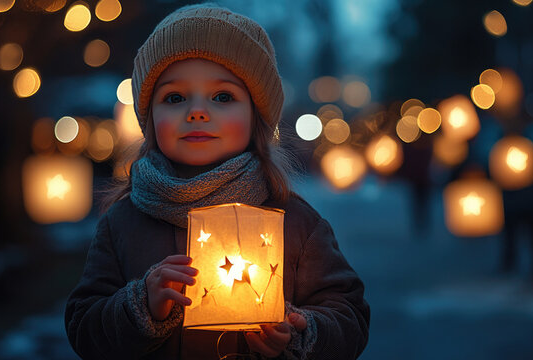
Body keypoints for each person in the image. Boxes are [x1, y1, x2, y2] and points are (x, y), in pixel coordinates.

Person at [65, 4, 369, 359]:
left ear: (256, 118)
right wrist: (141, 305)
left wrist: (301, 334)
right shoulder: (122, 223)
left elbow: (349, 316)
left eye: (222, 97)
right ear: (150, 120)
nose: (197, 112)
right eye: (174, 97)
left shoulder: (296, 223)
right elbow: (83, 327)